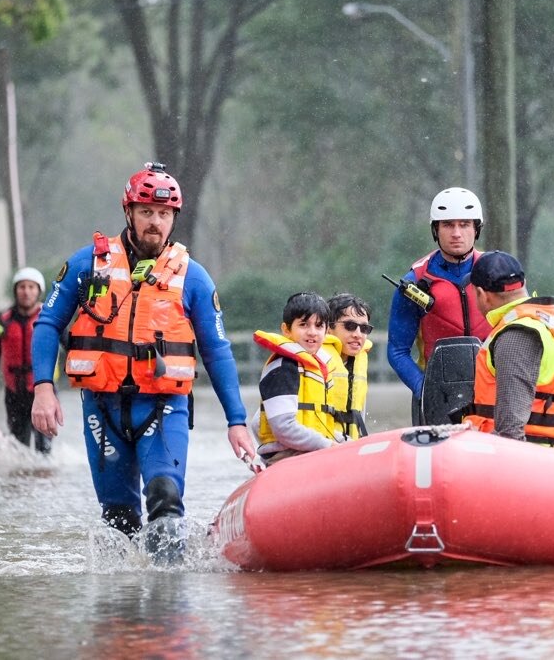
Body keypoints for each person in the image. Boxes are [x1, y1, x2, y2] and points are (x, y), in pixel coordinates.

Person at [29, 161, 256, 563]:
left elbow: (217, 350)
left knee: (166, 502)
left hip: (162, 406)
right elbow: (47, 323)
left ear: (174, 219)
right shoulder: (86, 266)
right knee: (119, 519)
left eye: (164, 214)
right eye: (147, 212)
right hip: (102, 408)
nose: (156, 222)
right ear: (128, 213)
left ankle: (167, 602)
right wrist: (43, 388)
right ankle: (128, 608)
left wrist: (236, 420)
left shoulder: (194, 278)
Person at [461, 251, 554, 454]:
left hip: (543, 461)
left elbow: (509, 431)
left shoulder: (516, 335)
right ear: (523, 285)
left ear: (482, 295)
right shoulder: (553, 321)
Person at [387, 187, 492, 423]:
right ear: (436, 230)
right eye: (448, 225)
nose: (456, 233)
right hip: (436, 394)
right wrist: (424, 388)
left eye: (464, 224)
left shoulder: (496, 273)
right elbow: (397, 350)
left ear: (476, 229)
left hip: (491, 390)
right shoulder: (415, 281)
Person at [254, 292, 342, 464]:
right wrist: (329, 446)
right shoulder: (283, 368)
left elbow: (321, 427)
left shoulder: (316, 368)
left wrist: (350, 444)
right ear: (286, 330)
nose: (312, 332)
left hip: (309, 453)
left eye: (319, 326)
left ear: (326, 331)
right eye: (303, 325)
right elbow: (283, 428)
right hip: (287, 459)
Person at [0, 267, 53, 453]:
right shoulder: (2, 321)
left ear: (38, 291)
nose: (26, 292)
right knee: (20, 448)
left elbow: (69, 347)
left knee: (44, 449)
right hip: (14, 393)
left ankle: (44, 481)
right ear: (15, 290)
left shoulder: (50, 318)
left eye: (31, 287)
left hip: (43, 391)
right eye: (22, 287)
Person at [325, 293, 374, 440]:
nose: (358, 334)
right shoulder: (309, 363)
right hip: (316, 451)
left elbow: (359, 418)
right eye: (350, 326)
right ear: (327, 328)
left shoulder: (358, 366)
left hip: (347, 449)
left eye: (364, 328)